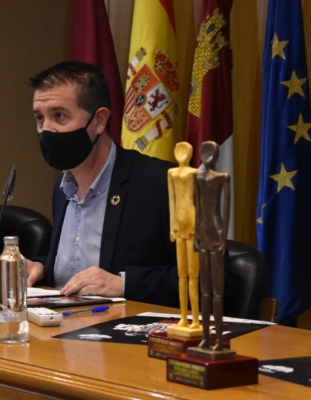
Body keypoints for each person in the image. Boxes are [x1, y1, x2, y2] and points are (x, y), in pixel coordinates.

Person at [25, 61, 180, 306]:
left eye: (59, 116)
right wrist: (42, 267)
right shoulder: (62, 188)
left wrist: (124, 284)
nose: (46, 130)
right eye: (39, 118)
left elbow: (215, 279)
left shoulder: (161, 183)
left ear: (99, 121)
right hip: (62, 330)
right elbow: (81, 263)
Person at [194, 141, 230, 351]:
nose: (207, 157)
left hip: (216, 234)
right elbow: (198, 207)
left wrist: (224, 239)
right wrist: (197, 234)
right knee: (204, 290)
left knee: (217, 292)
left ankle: (217, 340)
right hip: (203, 233)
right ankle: (205, 338)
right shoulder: (197, 177)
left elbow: (225, 210)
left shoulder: (222, 177)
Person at [167, 142, 201, 334]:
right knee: (182, 275)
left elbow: (201, 201)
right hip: (178, 224)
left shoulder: (195, 173)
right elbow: (172, 200)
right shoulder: (171, 173)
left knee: (193, 275)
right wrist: (172, 225)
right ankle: (183, 317)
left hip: (193, 222)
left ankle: (195, 318)